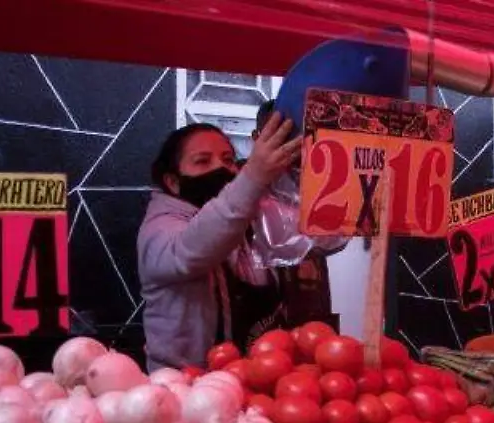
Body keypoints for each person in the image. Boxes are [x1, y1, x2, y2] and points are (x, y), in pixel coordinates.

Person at [138, 114, 301, 371]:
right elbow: (192, 250)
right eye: (202, 161)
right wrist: (253, 178)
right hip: (187, 387)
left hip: (257, 377)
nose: (221, 169)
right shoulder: (159, 229)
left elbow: (323, 239)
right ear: (173, 181)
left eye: (228, 160)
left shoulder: (251, 214)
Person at [250, 99, 346, 332]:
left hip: (310, 298)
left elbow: (336, 238)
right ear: (257, 137)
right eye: (281, 136)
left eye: (300, 136)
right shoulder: (241, 183)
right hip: (258, 306)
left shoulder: (319, 180)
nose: (291, 146)